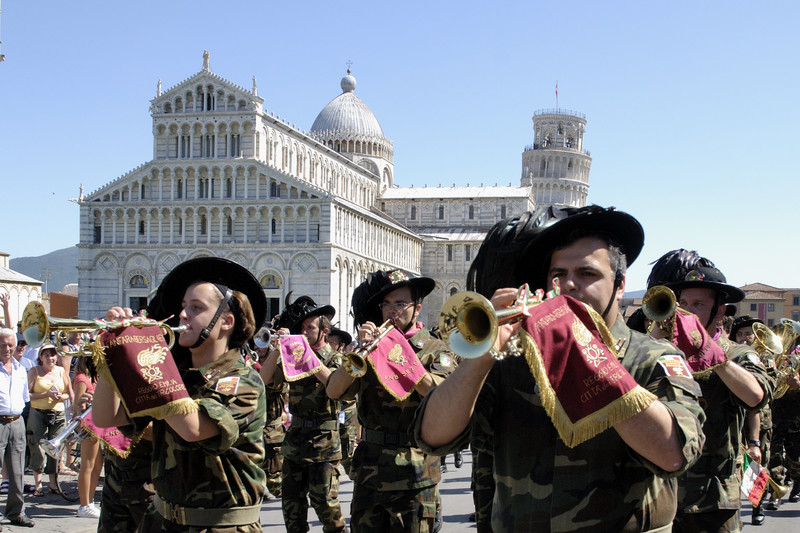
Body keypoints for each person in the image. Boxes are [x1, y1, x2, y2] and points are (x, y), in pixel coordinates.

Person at [414, 205, 706, 532]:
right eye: (558, 275)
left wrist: (587, 354)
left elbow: (675, 455)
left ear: (620, 285)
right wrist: (484, 353)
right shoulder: (515, 358)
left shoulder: (654, 356)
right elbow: (433, 436)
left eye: (587, 274)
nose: (568, 285)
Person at [93, 256, 268, 532]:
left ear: (226, 322)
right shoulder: (178, 375)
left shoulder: (242, 380)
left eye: (197, 308)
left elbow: (193, 428)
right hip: (161, 521)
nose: (183, 314)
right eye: (184, 306)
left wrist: (148, 353)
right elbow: (104, 417)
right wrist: (112, 350)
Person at [647, 249, 774, 532]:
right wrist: (651, 342)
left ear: (719, 310)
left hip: (713, 499)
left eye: (698, 304)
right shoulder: (664, 348)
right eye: (682, 303)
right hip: (660, 493)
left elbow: (756, 396)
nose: (687, 311)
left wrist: (713, 355)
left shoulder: (738, 354)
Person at [327, 269, 455, 533]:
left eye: (400, 304)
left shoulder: (435, 349)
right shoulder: (371, 348)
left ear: (417, 309)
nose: (391, 311)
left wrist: (403, 358)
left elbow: (442, 397)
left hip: (415, 474)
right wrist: (359, 352)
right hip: (369, 475)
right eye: (386, 305)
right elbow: (334, 392)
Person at [259, 297, 347, 533]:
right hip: (296, 438)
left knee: (325, 504)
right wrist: (277, 351)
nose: (305, 332)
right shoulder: (292, 357)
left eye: (311, 328)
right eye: (303, 328)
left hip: (324, 441)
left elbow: (336, 387)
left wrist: (309, 358)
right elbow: (264, 380)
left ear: (324, 332)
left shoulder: (336, 358)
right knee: (291, 506)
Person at [729, 315, 772, 525]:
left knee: (757, 465)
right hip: (736, 417)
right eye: (740, 334)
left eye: (749, 334)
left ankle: (757, 505)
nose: (745, 338)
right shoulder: (731, 355)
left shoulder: (765, 358)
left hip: (760, 420)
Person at [26, 342, 73, 498]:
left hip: (58, 413)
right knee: (37, 446)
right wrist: (45, 394)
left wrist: (62, 397)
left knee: (55, 448)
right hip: (38, 412)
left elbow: (68, 392)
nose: (50, 358)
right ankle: (38, 485)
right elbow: (28, 395)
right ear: (41, 357)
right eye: (46, 355)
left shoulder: (60, 371)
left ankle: (53, 484)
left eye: (52, 355)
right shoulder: (34, 371)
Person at [0, 327, 35, 528]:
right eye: (3, 344)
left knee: (17, 471)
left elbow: (24, 398)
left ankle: (16, 512)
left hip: (16, 421)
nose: (7, 348)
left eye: (10, 344)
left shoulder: (21, 369)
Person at [72, 356, 103, 518]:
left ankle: (89, 501)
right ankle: (84, 505)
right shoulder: (82, 378)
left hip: (96, 424)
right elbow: (76, 405)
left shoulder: (92, 378)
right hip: (87, 426)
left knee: (97, 465)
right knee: (87, 466)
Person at [327, 327, 358, 476]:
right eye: (328, 341)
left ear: (341, 345)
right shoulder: (325, 359)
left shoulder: (342, 361)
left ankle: (357, 480)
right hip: (330, 411)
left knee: (347, 453)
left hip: (345, 411)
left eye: (333, 342)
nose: (329, 345)